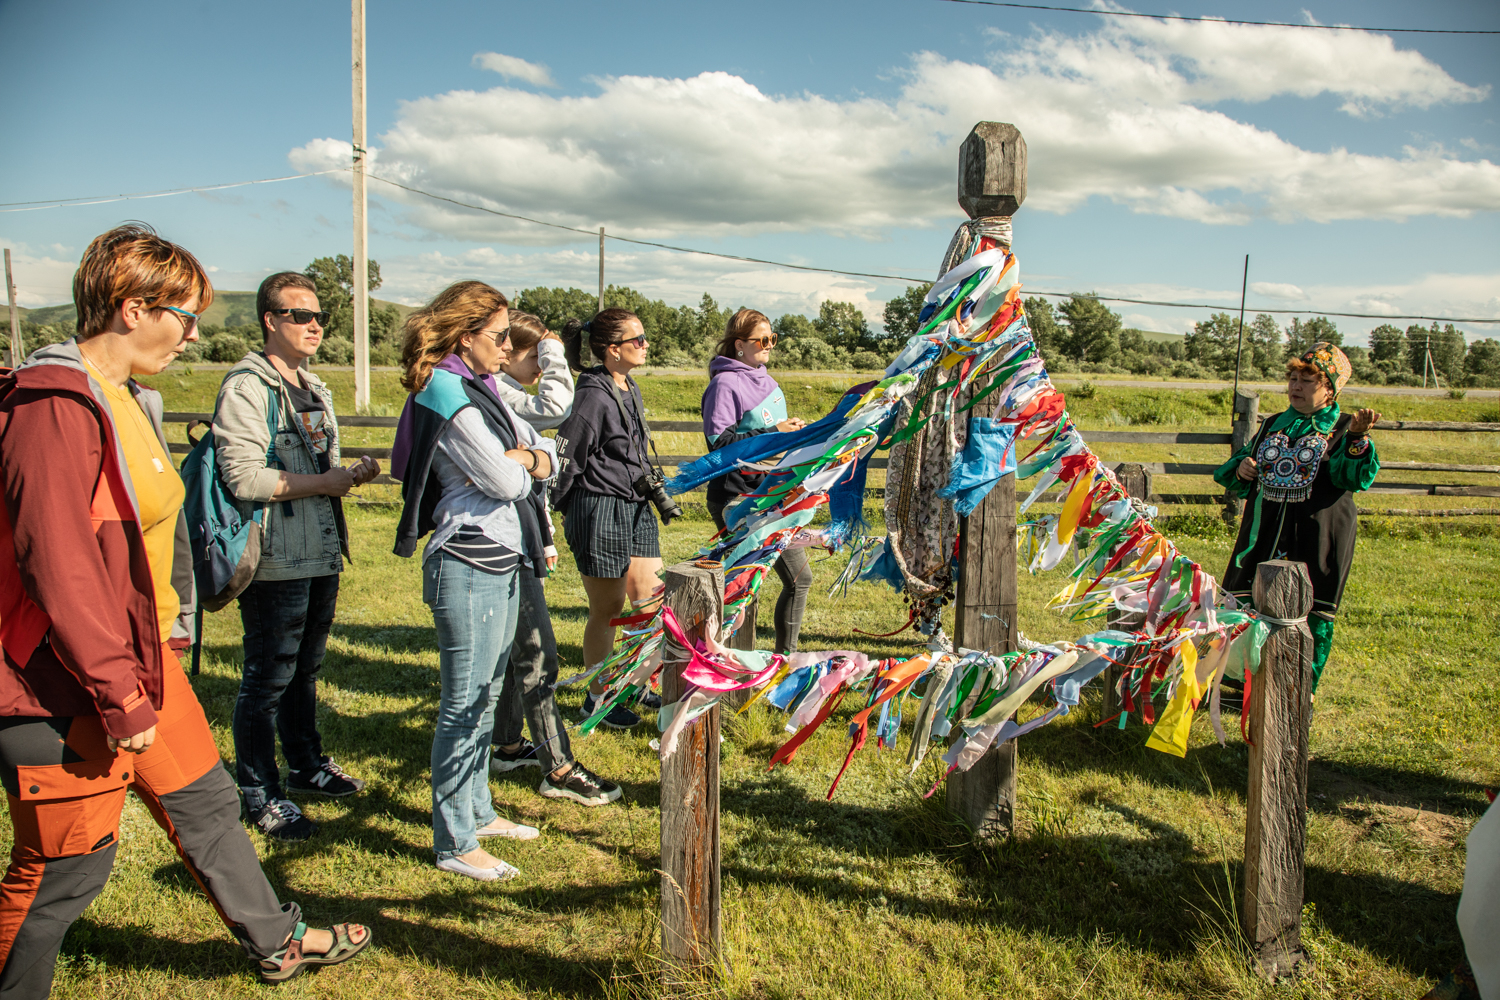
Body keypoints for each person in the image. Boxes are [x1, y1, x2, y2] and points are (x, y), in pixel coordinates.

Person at [0, 224, 371, 994]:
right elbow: (60, 567)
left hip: (142, 664)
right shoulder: (54, 404)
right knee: (62, 872)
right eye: (184, 315)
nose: (195, 333)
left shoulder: (129, 398)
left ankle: (277, 941)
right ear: (132, 309)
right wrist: (117, 690)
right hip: (65, 685)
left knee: (206, 802)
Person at [391, 281, 555, 882]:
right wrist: (528, 463)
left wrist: (530, 459)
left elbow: (545, 451)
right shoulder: (445, 388)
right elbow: (504, 482)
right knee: (464, 703)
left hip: (500, 557)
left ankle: (479, 812)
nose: (510, 346)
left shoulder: (482, 386)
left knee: (486, 696)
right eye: (499, 336)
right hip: (468, 559)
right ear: (465, 337)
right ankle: (455, 840)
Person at [213, 271, 379, 841]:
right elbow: (242, 478)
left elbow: (313, 468)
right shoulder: (246, 387)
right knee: (266, 678)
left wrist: (347, 474)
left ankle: (306, 765)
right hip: (275, 556)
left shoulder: (313, 386)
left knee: (304, 670)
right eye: (301, 316)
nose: (315, 326)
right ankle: (260, 791)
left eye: (319, 317)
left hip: (320, 552)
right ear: (270, 320)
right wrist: (324, 482)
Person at [488, 312, 621, 806]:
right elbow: (556, 406)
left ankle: (504, 744)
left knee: (516, 650)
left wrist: (541, 528)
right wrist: (552, 346)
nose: (536, 366)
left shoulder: (498, 389)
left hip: (519, 531)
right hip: (498, 536)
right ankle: (557, 766)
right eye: (530, 355)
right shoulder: (499, 388)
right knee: (537, 653)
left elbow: (545, 456)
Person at [1214, 342, 1380, 697]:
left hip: (1319, 534)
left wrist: (1357, 439)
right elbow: (1234, 472)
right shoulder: (1274, 423)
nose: (1295, 386)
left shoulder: (1342, 427)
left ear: (1329, 389)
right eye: (1292, 378)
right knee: (1249, 600)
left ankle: (1293, 691)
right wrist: (1243, 468)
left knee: (1308, 610)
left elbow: (1354, 478)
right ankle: (1242, 687)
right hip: (1264, 533)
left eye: (1307, 380)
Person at [553, 309, 665, 729]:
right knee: (609, 611)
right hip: (600, 508)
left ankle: (633, 682)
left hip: (634, 505)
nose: (646, 345)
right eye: (637, 340)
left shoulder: (626, 385)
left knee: (650, 604)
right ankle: (596, 699)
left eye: (644, 337)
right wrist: (560, 517)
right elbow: (567, 459)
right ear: (612, 350)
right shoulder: (592, 396)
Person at [700, 308, 811, 653]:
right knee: (741, 587)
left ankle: (782, 662)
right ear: (738, 346)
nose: (769, 345)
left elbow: (769, 440)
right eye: (762, 340)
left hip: (771, 494)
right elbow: (719, 445)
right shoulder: (724, 384)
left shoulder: (769, 382)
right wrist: (774, 432)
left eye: (772, 338)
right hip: (737, 496)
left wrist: (793, 436)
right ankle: (720, 664)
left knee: (799, 579)